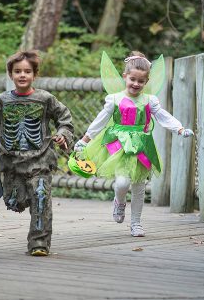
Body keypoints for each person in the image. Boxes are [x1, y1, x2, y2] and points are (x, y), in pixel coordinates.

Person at [74, 51, 194, 237]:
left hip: (142, 145)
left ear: (146, 82)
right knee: (122, 183)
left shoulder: (149, 100)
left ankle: (136, 223)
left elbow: (163, 116)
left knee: (139, 186)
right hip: (120, 145)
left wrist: (178, 128)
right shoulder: (114, 99)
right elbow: (100, 120)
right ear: (125, 77)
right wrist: (84, 140)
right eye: (132, 79)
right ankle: (119, 202)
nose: (136, 84)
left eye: (141, 81)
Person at [0, 50, 74, 256]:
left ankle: (39, 243)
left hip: (40, 159)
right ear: (11, 74)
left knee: (40, 196)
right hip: (11, 162)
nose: (22, 75)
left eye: (27, 71)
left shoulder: (45, 98)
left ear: (34, 75)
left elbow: (64, 118)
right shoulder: (2, 100)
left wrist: (63, 134)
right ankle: (23, 200)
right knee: (14, 201)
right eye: (17, 71)